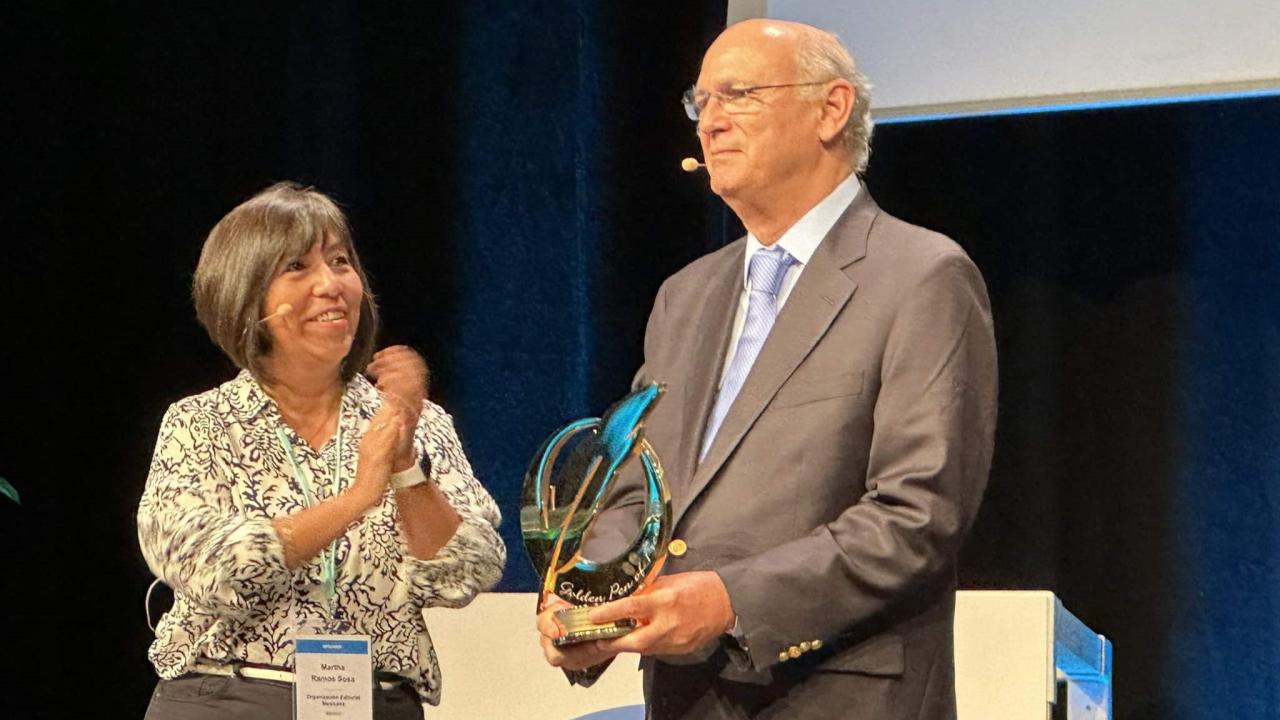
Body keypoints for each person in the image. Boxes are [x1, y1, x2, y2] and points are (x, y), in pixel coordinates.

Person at [537, 19, 997, 720]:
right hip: (688, 699)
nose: (711, 123)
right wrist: (592, 597)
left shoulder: (921, 276)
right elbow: (638, 494)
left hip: (842, 695)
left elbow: (917, 514)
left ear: (831, 109)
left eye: (738, 95)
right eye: (701, 104)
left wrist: (731, 601)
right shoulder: (685, 296)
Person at [138, 182, 505, 719]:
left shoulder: (415, 422)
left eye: (340, 262)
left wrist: (404, 467)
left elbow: (465, 574)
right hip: (227, 698)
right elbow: (217, 570)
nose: (331, 284)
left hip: (374, 701)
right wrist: (357, 497)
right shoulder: (201, 424)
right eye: (297, 268)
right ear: (245, 294)